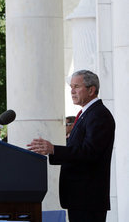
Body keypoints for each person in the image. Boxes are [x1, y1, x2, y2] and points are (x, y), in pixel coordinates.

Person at [28, 70, 115, 222]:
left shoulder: (99, 115)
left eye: (76, 86)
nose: (72, 91)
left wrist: (54, 149)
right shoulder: (86, 114)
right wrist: (53, 151)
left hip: (88, 198)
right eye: (71, 87)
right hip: (79, 197)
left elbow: (90, 152)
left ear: (91, 90)